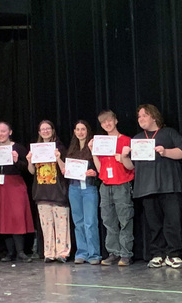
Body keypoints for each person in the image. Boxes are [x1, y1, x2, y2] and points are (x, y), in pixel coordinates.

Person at [119, 104, 182, 269]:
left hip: (169, 186)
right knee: (154, 224)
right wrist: (124, 157)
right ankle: (157, 254)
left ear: (154, 117)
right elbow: (130, 166)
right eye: (139, 116)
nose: (141, 119)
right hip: (146, 187)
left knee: (173, 222)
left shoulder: (169, 133)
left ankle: (174, 255)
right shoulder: (136, 139)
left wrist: (165, 152)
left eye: (144, 115)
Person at [92, 110, 135, 266]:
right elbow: (99, 169)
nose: (107, 124)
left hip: (122, 184)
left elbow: (132, 167)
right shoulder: (101, 142)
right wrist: (94, 154)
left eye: (109, 120)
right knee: (108, 220)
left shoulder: (126, 140)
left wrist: (123, 158)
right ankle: (113, 252)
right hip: (105, 185)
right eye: (103, 122)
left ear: (115, 121)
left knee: (125, 219)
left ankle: (125, 253)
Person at [0, 121, 35, 262]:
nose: (0, 134)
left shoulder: (18, 148)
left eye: (3, 131)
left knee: (17, 217)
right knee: (3, 218)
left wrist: (16, 161)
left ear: (10, 132)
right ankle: (10, 252)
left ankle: (21, 252)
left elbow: (27, 169)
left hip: (15, 184)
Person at [28, 120, 70, 263]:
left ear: (52, 130)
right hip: (42, 192)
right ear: (39, 133)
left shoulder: (60, 148)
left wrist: (58, 158)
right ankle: (49, 252)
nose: (45, 131)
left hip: (57, 191)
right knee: (46, 225)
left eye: (48, 129)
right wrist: (29, 161)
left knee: (61, 224)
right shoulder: (36, 149)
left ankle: (62, 252)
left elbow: (65, 170)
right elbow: (32, 171)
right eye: (42, 129)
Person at [65, 120, 101, 265]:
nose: (80, 132)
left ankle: (94, 254)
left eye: (83, 129)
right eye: (78, 129)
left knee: (90, 222)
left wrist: (95, 173)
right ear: (74, 132)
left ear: (88, 131)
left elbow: (100, 167)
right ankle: (82, 252)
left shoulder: (93, 146)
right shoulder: (72, 148)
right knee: (78, 222)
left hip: (89, 188)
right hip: (74, 188)